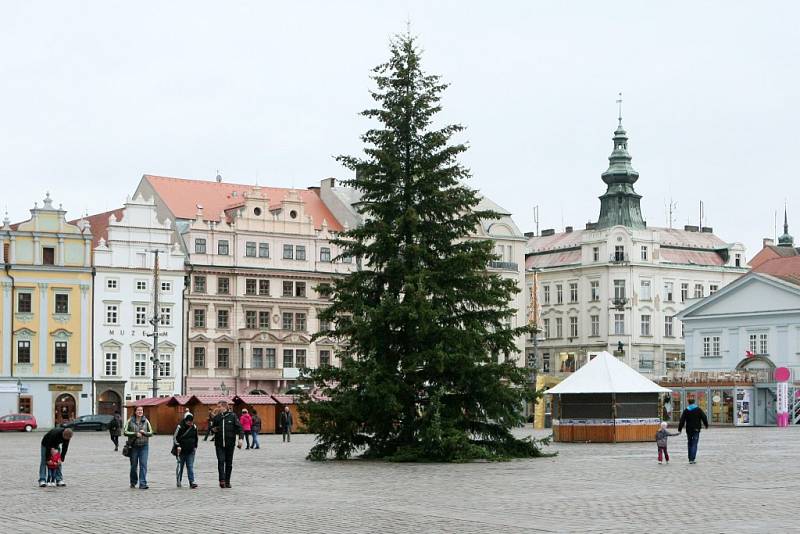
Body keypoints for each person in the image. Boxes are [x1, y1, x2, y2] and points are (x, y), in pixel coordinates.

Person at [210, 400, 243, 488]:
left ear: (224, 407)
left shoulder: (232, 416)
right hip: (219, 444)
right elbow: (211, 428)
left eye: (219, 406)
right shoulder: (217, 417)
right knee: (220, 461)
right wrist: (213, 429)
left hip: (230, 444)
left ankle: (227, 481)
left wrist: (240, 439)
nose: (218, 408)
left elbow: (240, 428)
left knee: (229, 463)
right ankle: (222, 480)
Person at [123, 406, 154, 489]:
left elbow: (151, 433)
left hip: (144, 446)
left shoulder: (146, 421)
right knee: (133, 466)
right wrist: (135, 433)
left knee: (143, 465)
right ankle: (133, 481)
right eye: (138, 410)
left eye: (141, 410)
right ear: (135, 412)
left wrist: (144, 433)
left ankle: (143, 483)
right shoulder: (130, 420)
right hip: (133, 447)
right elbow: (125, 432)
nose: (140, 411)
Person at [678, 397, 709, 464]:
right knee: (694, 444)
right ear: (694, 402)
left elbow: (682, 420)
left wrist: (680, 429)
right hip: (696, 429)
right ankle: (692, 459)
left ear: (688, 403)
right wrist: (706, 425)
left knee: (689, 443)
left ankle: (690, 458)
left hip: (689, 429)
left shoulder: (686, 410)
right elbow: (704, 417)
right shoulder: (698, 409)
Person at [173, 413, 199, 489]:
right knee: (180, 467)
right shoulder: (180, 426)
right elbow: (175, 438)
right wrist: (178, 446)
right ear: (185, 421)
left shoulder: (194, 427)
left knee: (190, 466)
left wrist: (195, 446)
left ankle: (192, 482)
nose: (190, 423)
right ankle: (179, 481)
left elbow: (196, 437)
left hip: (191, 450)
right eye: (188, 422)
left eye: (191, 422)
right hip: (181, 451)